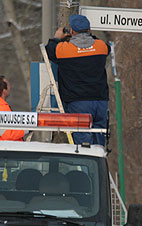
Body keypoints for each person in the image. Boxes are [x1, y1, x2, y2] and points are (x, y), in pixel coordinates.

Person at [45, 14, 111, 146]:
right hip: (100, 101)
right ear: (89, 30)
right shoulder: (100, 46)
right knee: (99, 140)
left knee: (83, 143)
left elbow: (49, 50)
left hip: (79, 102)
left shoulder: (64, 49)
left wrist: (57, 37)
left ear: (72, 31)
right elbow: (105, 46)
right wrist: (88, 37)